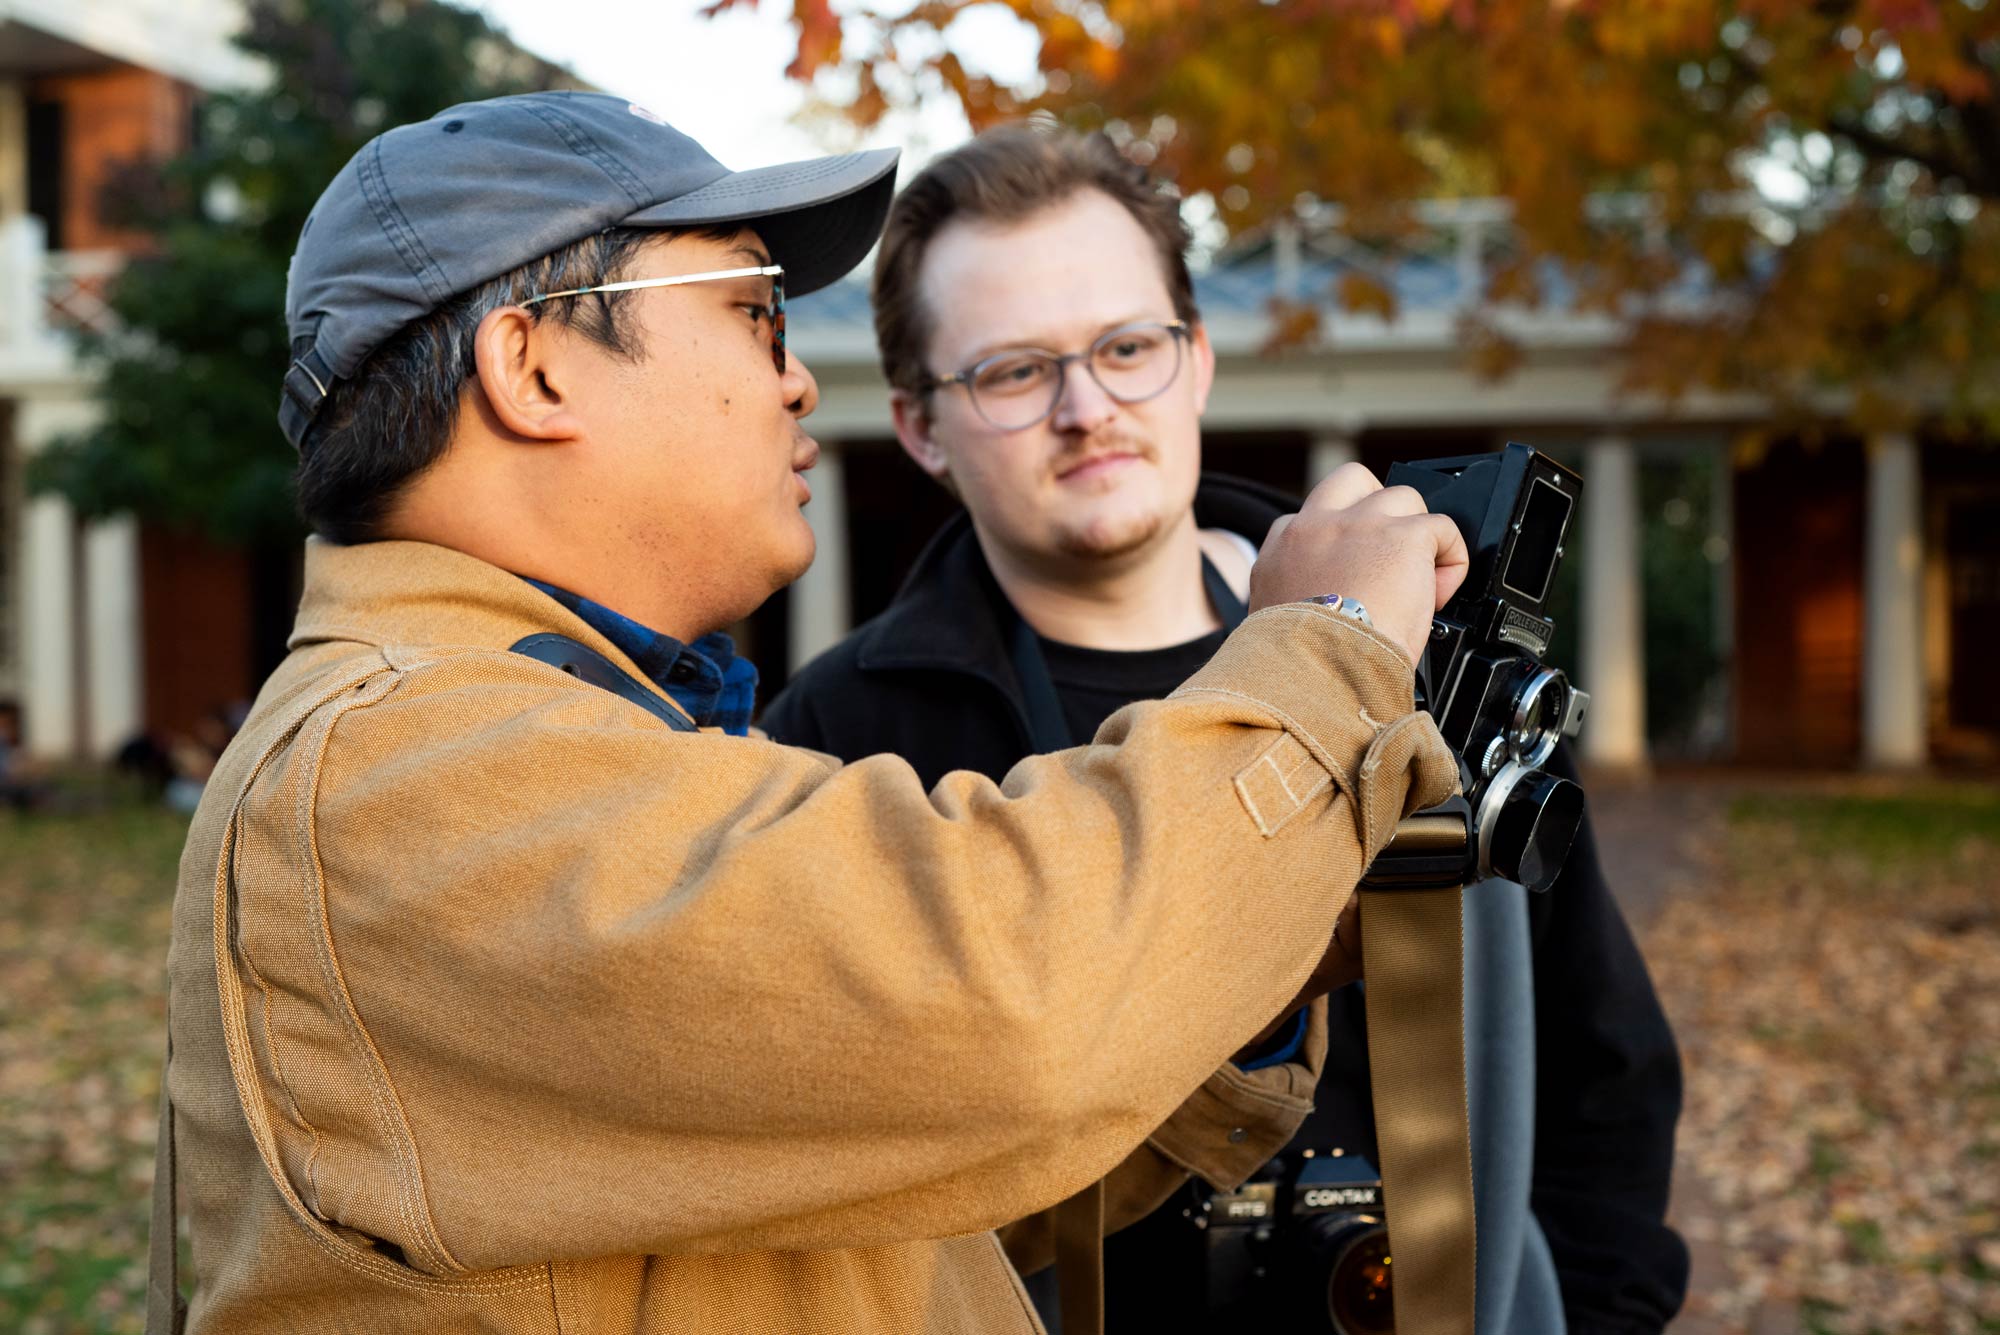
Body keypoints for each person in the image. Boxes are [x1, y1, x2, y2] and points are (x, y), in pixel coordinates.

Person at [150, 92, 1476, 1334]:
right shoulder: (401, 775)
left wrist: (1250, 945)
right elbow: (1004, 1008)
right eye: (752, 311)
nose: (796, 383)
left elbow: (893, 1172)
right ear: (533, 368)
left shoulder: (532, 734)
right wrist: (1326, 649)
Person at [763, 125, 1691, 1335]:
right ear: (919, 426)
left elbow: (1602, 1071)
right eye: (1009, 370)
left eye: (1126, 348)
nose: (1084, 407)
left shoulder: (1423, 635)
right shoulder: (833, 738)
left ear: (1195, 361)